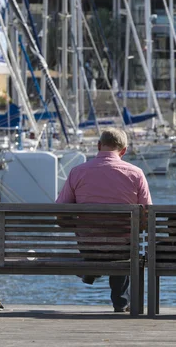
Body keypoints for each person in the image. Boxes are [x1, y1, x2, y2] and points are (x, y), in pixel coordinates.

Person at [56, 128, 152, 313]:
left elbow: (61, 210)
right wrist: (137, 228)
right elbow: (147, 213)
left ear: (99, 146)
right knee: (125, 247)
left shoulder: (77, 172)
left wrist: (74, 223)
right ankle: (121, 302)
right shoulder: (137, 174)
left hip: (89, 245)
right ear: (123, 151)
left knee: (99, 240)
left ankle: (90, 270)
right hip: (123, 247)